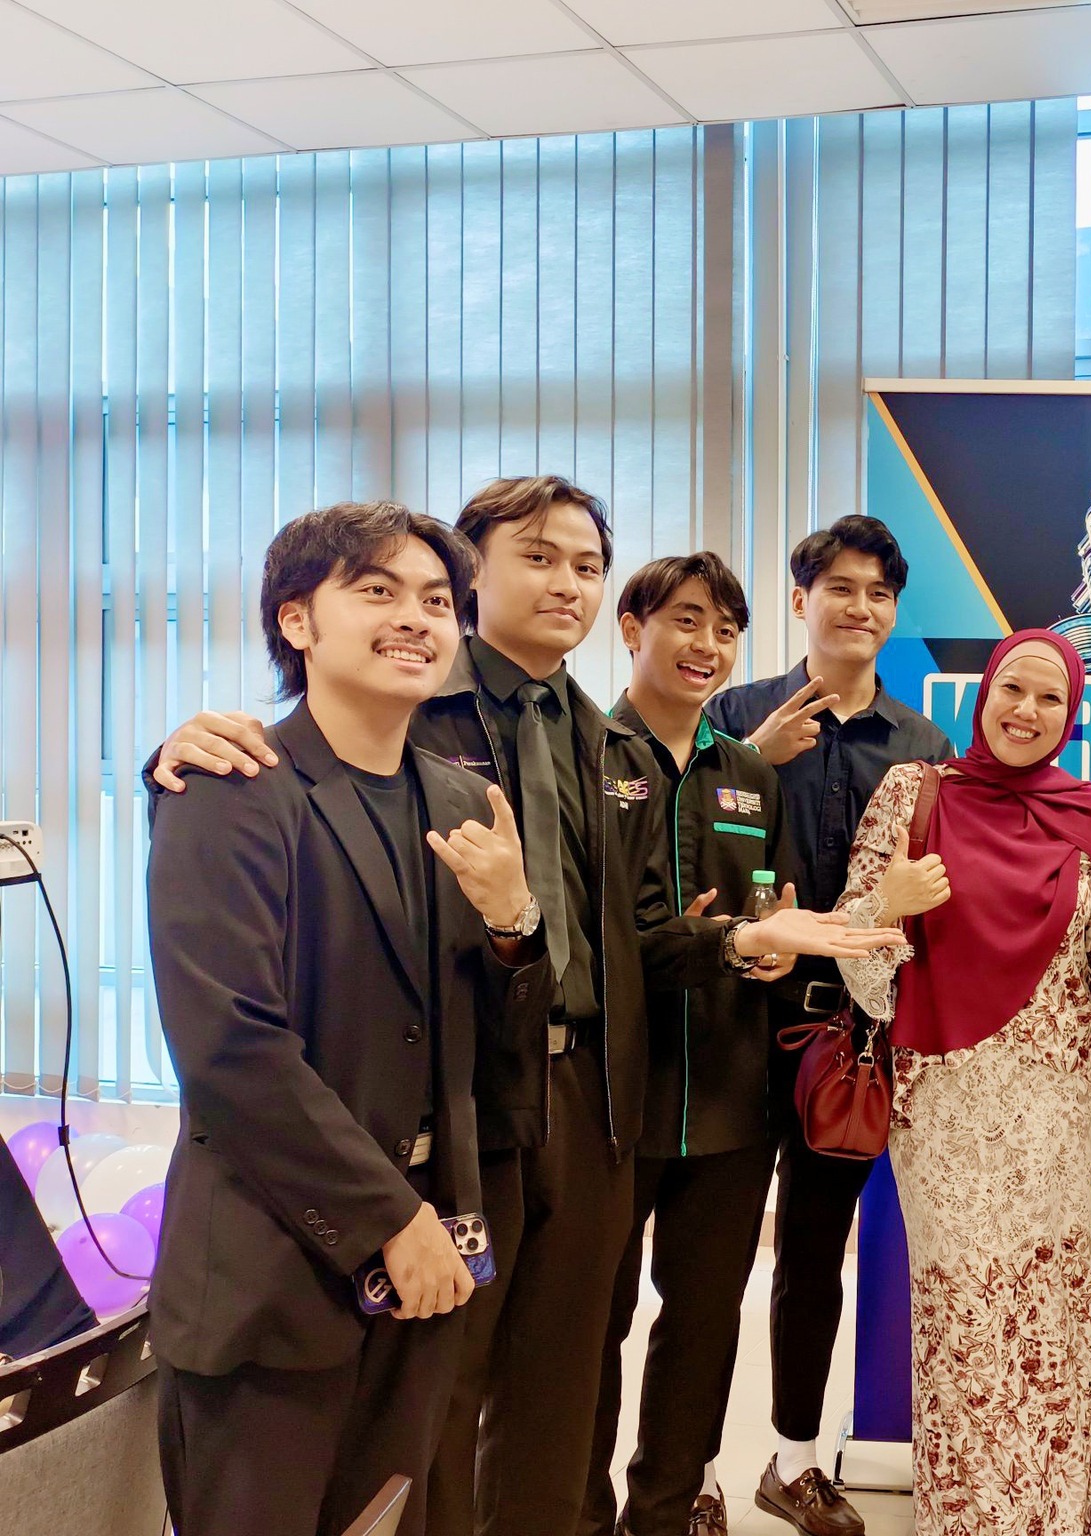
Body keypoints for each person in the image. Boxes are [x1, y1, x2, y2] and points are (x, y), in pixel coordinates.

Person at [146, 478, 895, 1536]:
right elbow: (241, 1001)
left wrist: (731, 940)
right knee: (435, 1412)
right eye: (537, 557)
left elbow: (615, 936)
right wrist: (173, 755)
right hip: (456, 1108)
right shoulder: (399, 712)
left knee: (559, 1393)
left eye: (586, 565)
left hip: (586, 1098)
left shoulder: (604, 744)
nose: (565, 584)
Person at [147, 502, 550, 1536]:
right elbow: (230, 1048)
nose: (415, 617)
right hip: (274, 1274)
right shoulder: (229, 787)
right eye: (377, 590)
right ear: (297, 621)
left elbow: (499, 1053)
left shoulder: (462, 803)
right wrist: (388, 1221)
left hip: (428, 1269)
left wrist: (516, 925)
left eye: (436, 600)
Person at [833, 630, 1091, 1536]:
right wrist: (889, 907)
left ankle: (1063, 1516)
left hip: (1059, 1105)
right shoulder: (916, 793)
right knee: (963, 1317)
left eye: (1050, 699)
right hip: (949, 1102)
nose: (1027, 712)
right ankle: (969, 1518)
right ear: (983, 695)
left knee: (1054, 1313)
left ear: (1072, 716)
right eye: (1013, 691)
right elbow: (854, 954)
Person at [704, 514, 951, 1532]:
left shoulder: (922, 744)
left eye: (878, 593)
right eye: (839, 588)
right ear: (801, 599)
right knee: (708, 1263)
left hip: (846, 1044)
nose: (860, 608)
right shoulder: (733, 713)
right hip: (728, 1024)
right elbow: (686, 848)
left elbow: (936, 898)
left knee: (813, 1259)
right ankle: (689, 1476)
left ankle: (794, 1463)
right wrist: (749, 760)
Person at [580, 553, 803, 1536]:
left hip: (727, 1098)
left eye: (725, 629)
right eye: (685, 619)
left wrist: (772, 949)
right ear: (632, 628)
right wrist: (721, 941)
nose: (707, 644)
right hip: (606, 1103)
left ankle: (663, 1514)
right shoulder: (584, 756)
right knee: (588, 1325)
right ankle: (575, 1515)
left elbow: (774, 910)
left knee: (704, 1325)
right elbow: (597, 936)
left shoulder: (750, 775)